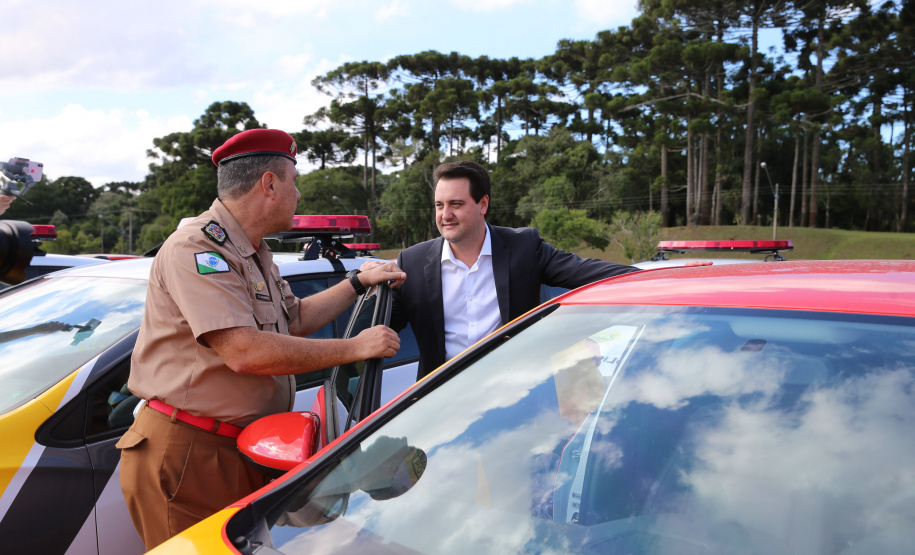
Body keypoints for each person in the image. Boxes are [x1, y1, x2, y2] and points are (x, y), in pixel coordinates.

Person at [116, 128, 406, 550]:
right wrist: (354, 348)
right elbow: (244, 351)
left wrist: (357, 283)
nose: (298, 194)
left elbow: (294, 318)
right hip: (189, 452)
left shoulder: (253, 252)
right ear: (269, 184)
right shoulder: (197, 248)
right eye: (294, 182)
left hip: (232, 448)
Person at [390, 160, 637, 379]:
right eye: (439, 205)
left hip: (515, 397)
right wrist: (367, 285)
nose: (445, 215)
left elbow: (585, 272)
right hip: (438, 400)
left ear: (483, 204)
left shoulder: (524, 248)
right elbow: (382, 326)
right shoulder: (412, 263)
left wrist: (652, 278)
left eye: (456, 204)